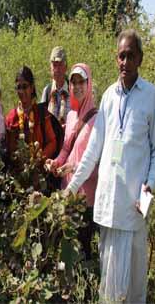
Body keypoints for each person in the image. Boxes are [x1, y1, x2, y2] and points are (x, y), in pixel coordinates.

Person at [65, 29, 155, 303]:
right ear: (115, 58)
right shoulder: (109, 96)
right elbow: (93, 151)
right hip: (109, 205)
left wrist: (149, 187)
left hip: (134, 206)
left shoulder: (151, 96)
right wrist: (72, 187)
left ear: (140, 59)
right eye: (121, 56)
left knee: (133, 285)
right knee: (109, 283)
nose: (125, 62)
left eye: (130, 56)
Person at [46, 63, 98, 260]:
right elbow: (67, 149)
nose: (76, 87)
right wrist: (56, 163)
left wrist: (74, 167)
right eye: (73, 82)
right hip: (67, 191)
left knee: (84, 251)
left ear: (89, 84)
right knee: (67, 251)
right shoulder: (70, 115)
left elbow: (97, 163)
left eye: (81, 82)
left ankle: (87, 290)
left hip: (86, 197)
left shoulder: (97, 119)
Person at [6, 65, 59, 161]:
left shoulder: (42, 113)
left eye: (25, 86)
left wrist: (40, 158)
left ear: (32, 88)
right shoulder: (12, 117)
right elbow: (9, 150)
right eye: (19, 87)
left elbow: (52, 142)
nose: (21, 91)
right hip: (18, 171)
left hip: (40, 168)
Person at [40, 46, 70, 126]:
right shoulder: (47, 91)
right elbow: (41, 119)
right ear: (50, 68)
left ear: (66, 67)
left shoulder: (72, 90)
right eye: (54, 65)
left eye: (60, 65)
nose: (57, 69)